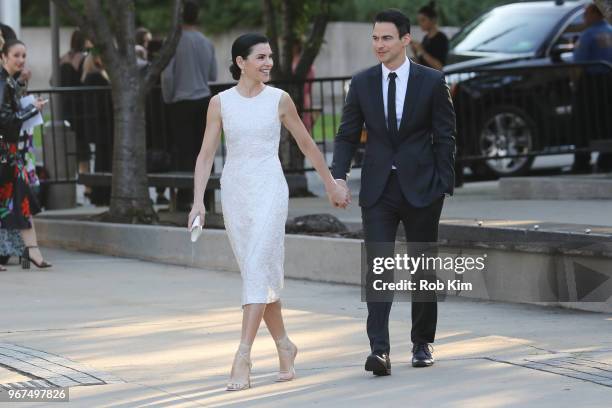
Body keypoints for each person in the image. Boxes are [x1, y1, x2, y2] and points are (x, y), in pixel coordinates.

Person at [189, 33, 349, 391]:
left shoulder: (280, 99)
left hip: (270, 190)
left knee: (258, 266)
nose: (268, 63)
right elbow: (204, 155)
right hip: (236, 191)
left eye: (270, 57)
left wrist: (330, 183)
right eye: (260, 57)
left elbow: (307, 143)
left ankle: (242, 355)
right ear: (240, 62)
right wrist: (198, 201)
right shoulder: (220, 103)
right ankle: (285, 345)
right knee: (256, 273)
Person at [331, 9, 455, 375]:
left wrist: (442, 184)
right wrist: (339, 177)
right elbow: (346, 135)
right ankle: (379, 350)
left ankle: (422, 343)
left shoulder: (432, 82)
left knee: (422, 267)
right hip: (378, 189)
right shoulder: (362, 83)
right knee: (379, 268)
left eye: (386, 38)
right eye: (374, 38)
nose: (379, 45)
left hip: (422, 189)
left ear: (405, 39)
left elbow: (446, 135)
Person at [0, 39, 52, 269]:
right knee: (19, 198)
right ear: (3, 57)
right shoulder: (3, 83)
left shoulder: (8, 82)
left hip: (9, 152)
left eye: (24, 55)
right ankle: (32, 251)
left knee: (22, 197)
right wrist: (32, 109)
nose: (21, 60)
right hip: (5, 152)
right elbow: (5, 121)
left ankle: (32, 250)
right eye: (16, 56)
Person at [162, 0, 218, 210]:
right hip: (204, 99)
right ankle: (207, 195)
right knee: (205, 149)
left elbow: (167, 76)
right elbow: (213, 74)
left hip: (181, 101)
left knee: (184, 151)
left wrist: (167, 98)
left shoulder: (174, 42)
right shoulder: (206, 42)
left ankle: (186, 198)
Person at [571, 2, 612, 172]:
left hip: (591, 85)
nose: (584, 18)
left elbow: (578, 65)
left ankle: (582, 162)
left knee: (584, 124)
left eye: (586, 14)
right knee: (607, 124)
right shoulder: (610, 31)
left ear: (595, 15)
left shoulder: (587, 36)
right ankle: (606, 159)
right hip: (609, 82)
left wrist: (574, 84)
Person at [59, 29, 91, 182]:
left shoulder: (63, 58)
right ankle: (87, 183)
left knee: (70, 145)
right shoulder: (85, 58)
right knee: (83, 147)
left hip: (65, 106)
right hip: (82, 106)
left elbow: (53, 80)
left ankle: (72, 179)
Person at [81, 50, 113, 205]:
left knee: (102, 159)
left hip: (98, 124)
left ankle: (100, 193)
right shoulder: (97, 78)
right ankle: (103, 194)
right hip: (104, 124)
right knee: (104, 160)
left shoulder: (89, 78)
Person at [410, 1, 448, 71]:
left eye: (423, 20)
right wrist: (415, 52)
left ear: (433, 20)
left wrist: (421, 50)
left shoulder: (441, 38)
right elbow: (420, 65)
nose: (420, 23)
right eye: (419, 21)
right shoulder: (426, 38)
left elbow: (439, 67)